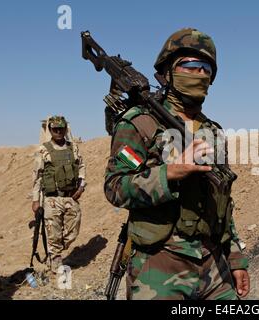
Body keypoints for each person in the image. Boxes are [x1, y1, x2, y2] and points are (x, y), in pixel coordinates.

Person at [104, 28, 250, 300]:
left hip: (213, 267)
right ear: (168, 72)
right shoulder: (140, 123)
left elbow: (223, 204)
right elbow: (115, 188)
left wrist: (236, 258)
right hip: (160, 266)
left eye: (205, 67)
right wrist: (169, 174)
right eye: (189, 65)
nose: (198, 73)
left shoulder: (213, 132)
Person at [32, 115, 86, 272]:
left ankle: (54, 251)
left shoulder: (73, 147)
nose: (58, 132)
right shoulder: (43, 150)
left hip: (70, 196)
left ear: (65, 129)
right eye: (55, 129)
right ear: (50, 130)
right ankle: (55, 259)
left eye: (61, 128)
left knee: (73, 230)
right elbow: (37, 177)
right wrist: (36, 200)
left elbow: (81, 167)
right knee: (53, 232)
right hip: (52, 199)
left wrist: (81, 187)